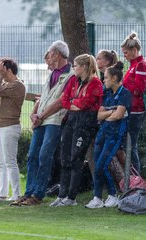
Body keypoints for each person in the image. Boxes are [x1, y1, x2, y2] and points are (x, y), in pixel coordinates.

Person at [10, 40, 75, 206]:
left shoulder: (71, 75)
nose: (49, 56)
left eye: (51, 53)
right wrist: (34, 113)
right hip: (41, 119)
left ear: (57, 54)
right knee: (32, 156)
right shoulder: (52, 73)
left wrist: (41, 115)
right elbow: (43, 97)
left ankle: (38, 194)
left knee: (44, 155)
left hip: (54, 120)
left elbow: (61, 101)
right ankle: (28, 192)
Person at [50, 54, 103, 207]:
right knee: (64, 158)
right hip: (71, 121)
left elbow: (86, 103)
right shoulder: (73, 80)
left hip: (85, 124)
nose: (73, 68)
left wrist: (76, 103)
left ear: (84, 67)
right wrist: (75, 104)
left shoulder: (96, 83)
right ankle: (62, 195)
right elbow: (65, 100)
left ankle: (71, 197)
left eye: (76, 65)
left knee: (76, 159)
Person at [85, 61, 131, 209]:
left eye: (105, 78)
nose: (103, 80)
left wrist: (109, 114)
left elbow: (119, 115)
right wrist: (110, 113)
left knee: (101, 166)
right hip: (102, 133)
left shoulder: (124, 93)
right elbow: (99, 115)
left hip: (115, 135)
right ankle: (97, 197)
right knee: (97, 165)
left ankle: (112, 195)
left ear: (114, 78)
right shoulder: (107, 93)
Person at [0, 58, 26, 202]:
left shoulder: (17, 85)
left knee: (10, 161)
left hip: (10, 127)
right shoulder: (5, 84)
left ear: (8, 70)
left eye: (1, 69)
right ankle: (3, 193)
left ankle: (16, 194)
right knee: (1, 162)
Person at [121, 32, 146, 173]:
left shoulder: (141, 66)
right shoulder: (133, 66)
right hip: (129, 109)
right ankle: (130, 176)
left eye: (126, 53)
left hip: (136, 111)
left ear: (134, 50)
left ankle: (135, 177)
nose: (124, 56)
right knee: (127, 144)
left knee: (131, 145)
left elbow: (139, 89)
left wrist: (122, 88)